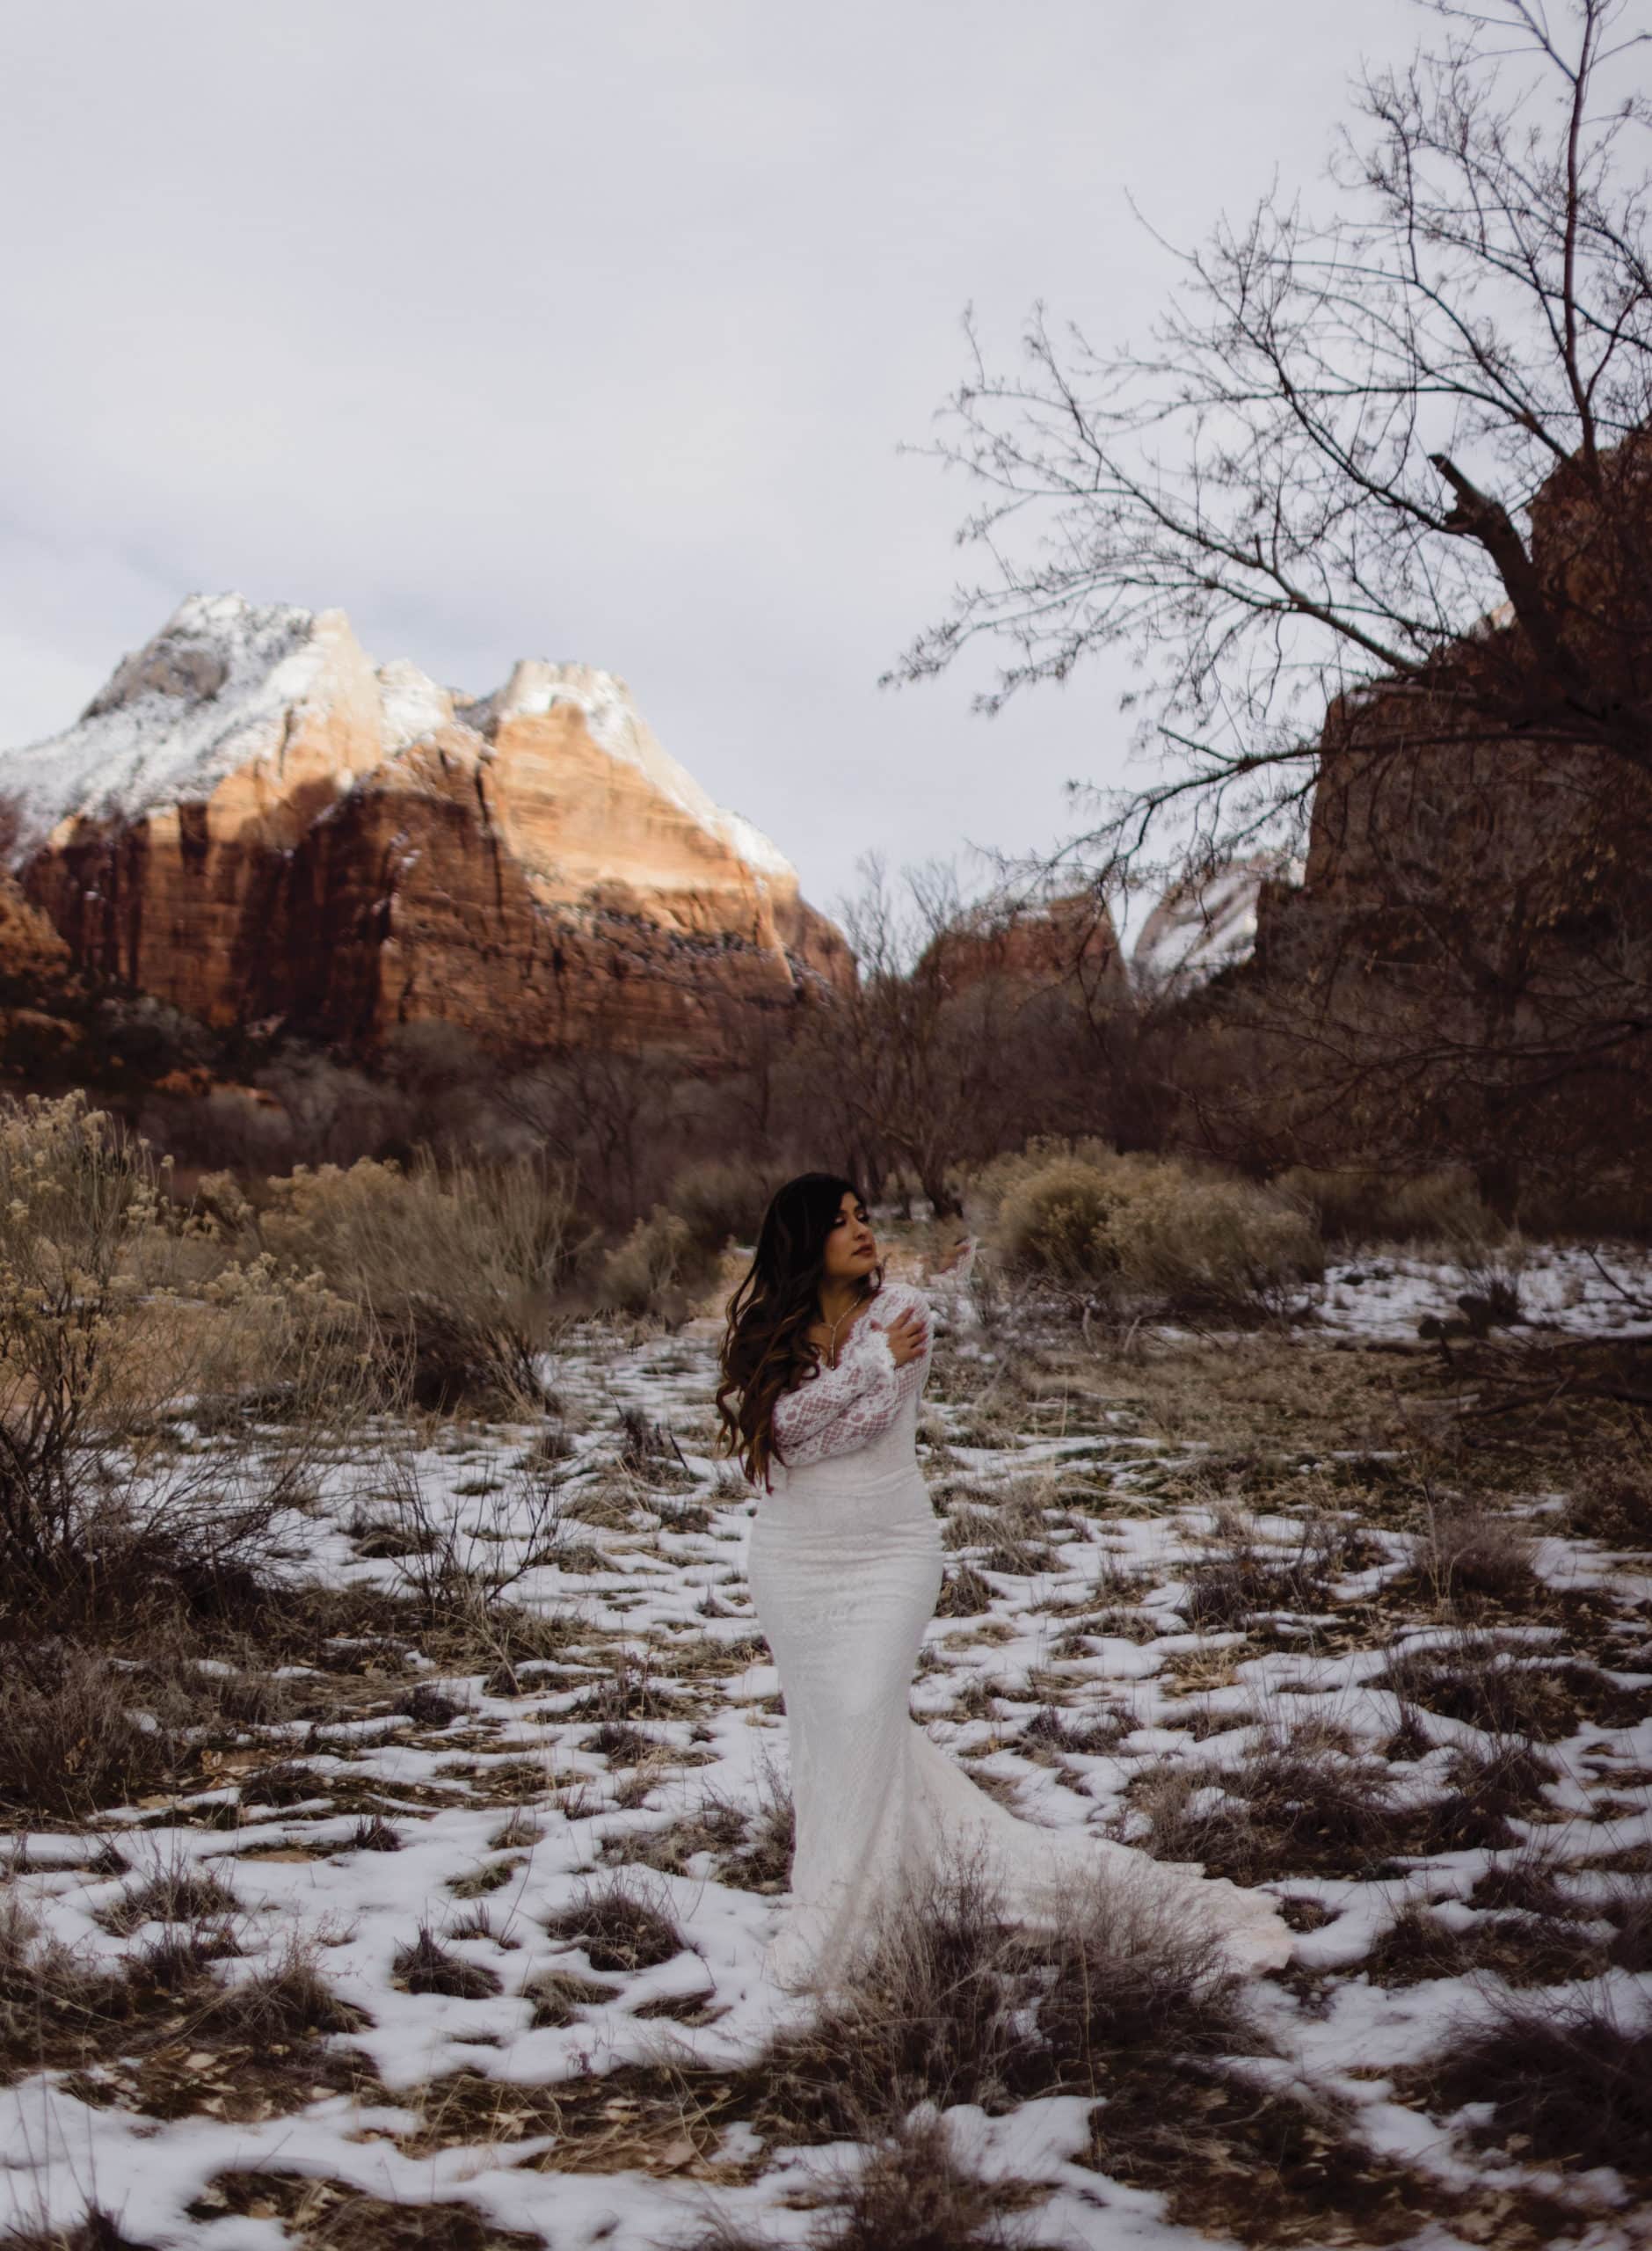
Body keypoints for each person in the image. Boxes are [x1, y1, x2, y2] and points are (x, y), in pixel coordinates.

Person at [716, 1170, 1294, 1992]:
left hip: (887, 1553)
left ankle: (848, 1912)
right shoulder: (776, 1331)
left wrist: (864, 1371)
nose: (860, 1229)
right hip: (793, 1560)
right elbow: (787, 1439)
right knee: (830, 1736)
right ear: (800, 1240)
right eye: (838, 1221)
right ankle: (847, 1888)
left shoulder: (900, 1314)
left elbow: (859, 1425)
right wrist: (866, 1368)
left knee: (861, 1710)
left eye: (862, 1215)